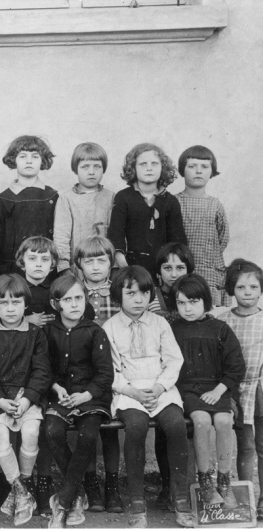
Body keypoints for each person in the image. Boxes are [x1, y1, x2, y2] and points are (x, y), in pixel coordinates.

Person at [102, 266, 194, 528]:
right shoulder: (110, 327)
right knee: (136, 427)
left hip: (159, 389)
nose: (138, 299)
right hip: (129, 392)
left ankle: (180, 497)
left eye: (144, 293)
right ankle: (137, 500)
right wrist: (132, 391)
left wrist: (160, 387)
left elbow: (174, 360)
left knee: (176, 425)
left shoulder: (159, 322)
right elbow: (110, 369)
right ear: (118, 295)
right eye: (131, 293)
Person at [0, 274, 51, 526]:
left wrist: (29, 400)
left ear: (25, 305)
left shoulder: (35, 334)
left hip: (27, 398)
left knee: (31, 431)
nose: (10, 309)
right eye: (4, 303)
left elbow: (42, 372)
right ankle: (20, 490)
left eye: (16, 303)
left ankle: (24, 485)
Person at [44, 276, 113, 528]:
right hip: (60, 395)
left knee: (87, 436)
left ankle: (63, 502)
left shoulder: (96, 332)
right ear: (56, 303)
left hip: (91, 398)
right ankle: (79, 491)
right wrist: (54, 386)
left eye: (79, 298)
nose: (74, 304)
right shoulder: (48, 332)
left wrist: (87, 394)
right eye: (67, 299)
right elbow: (42, 367)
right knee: (52, 430)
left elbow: (106, 373)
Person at [171, 274, 244, 509]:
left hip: (217, 387)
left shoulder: (221, 329)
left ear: (205, 300)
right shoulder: (172, 329)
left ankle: (224, 480)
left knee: (224, 421)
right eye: (181, 303)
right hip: (188, 389)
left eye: (193, 302)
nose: (187, 308)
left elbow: (235, 366)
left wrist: (219, 390)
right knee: (201, 421)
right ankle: (205, 481)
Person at [70, 236, 123, 513]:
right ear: (78, 263)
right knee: (87, 427)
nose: (95, 266)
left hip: (117, 371)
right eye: (88, 261)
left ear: (110, 262)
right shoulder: (73, 293)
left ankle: (112, 486)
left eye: (101, 260)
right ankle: (91, 484)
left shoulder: (120, 291)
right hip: (85, 377)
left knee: (110, 431)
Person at [216, 259, 263, 517]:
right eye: (241, 287)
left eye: (254, 287)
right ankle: (248, 500)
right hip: (236, 391)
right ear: (231, 290)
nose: (248, 292)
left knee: (262, 445)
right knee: (245, 446)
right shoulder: (224, 322)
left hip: (261, 388)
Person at [107, 143, 187, 276]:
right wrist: (126, 269)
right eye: (143, 164)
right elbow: (116, 237)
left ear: (163, 168)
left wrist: (168, 271)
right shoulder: (123, 197)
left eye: (154, 164)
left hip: (163, 271)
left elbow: (178, 243)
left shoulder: (170, 201)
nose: (149, 168)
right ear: (133, 168)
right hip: (129, 269)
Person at [0, 135, 58, 276]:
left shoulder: (52, 196)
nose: (29, 161)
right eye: (22, 156)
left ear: (43, 160)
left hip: (45, 268)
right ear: (14, 160)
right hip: (13, 269)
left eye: (35, 156)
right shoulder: (4, 198)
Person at [175, 145, 231, 306]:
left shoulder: (215, 205)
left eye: (204, 167)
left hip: (210, 272)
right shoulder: (174, 202)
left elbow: (223, 238)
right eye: (192, 166)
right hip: (180, 271)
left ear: (212, 171)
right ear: (182, 170)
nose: (198, 171)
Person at [53, 142, 115, 276]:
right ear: (76, 169)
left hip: (106, 267)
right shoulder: (66, 199)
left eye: (97, 166)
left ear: (103, 168)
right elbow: (61, 237)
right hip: (77, 268)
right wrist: (64, 268)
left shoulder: (111, 197)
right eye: (85, 167)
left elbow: (117, 235)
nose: (91, 172)